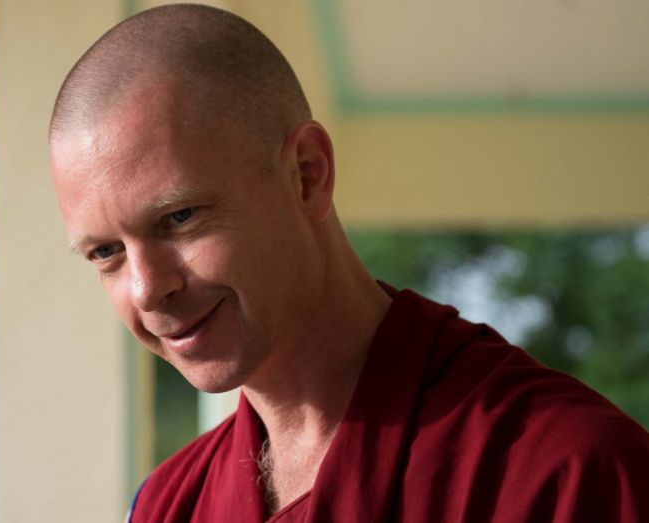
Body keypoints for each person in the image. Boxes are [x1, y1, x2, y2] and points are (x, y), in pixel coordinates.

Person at [49, 4, 649, 522]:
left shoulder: (564, 473)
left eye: (180, 217)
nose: (147, 289)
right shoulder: (165, 506)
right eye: (106, 253)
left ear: (307, 175)